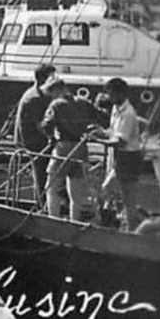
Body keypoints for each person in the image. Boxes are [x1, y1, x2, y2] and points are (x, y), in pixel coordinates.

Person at [40, 80, 98, 221]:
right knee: (75, 192)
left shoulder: (56, 105)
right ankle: (74, 221)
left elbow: (46, 125)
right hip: (81, 147)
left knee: (51, 187)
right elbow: (99, 115)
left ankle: (53, 220)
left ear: (56, 91)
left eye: (51, 94)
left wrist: (51, 137)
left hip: (63, 147)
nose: (51, 97)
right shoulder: (83, 102)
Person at [97, 77, 149, 231]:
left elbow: (121, 141)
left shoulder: (128, 113)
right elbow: (112, 133)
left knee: (128, 199)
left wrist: (99, 141)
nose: (109, 97)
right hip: (120, 158)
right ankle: (119, 221)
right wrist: (100, 132)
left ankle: (134, 230)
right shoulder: (116, 109)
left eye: (111, 93)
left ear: (121, 93)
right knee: (106, 190)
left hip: (129, 158)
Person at [14, 64, 59, 202]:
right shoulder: (35, 98)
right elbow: (40, 124)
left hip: (37, 138)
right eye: (52, 77)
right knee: (42, 172)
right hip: (33, 140)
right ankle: (42, 204)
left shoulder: (41, 94)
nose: (55, 79)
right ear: (43, 79)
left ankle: (48, 201)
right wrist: (54, 138)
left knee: (45, 171)